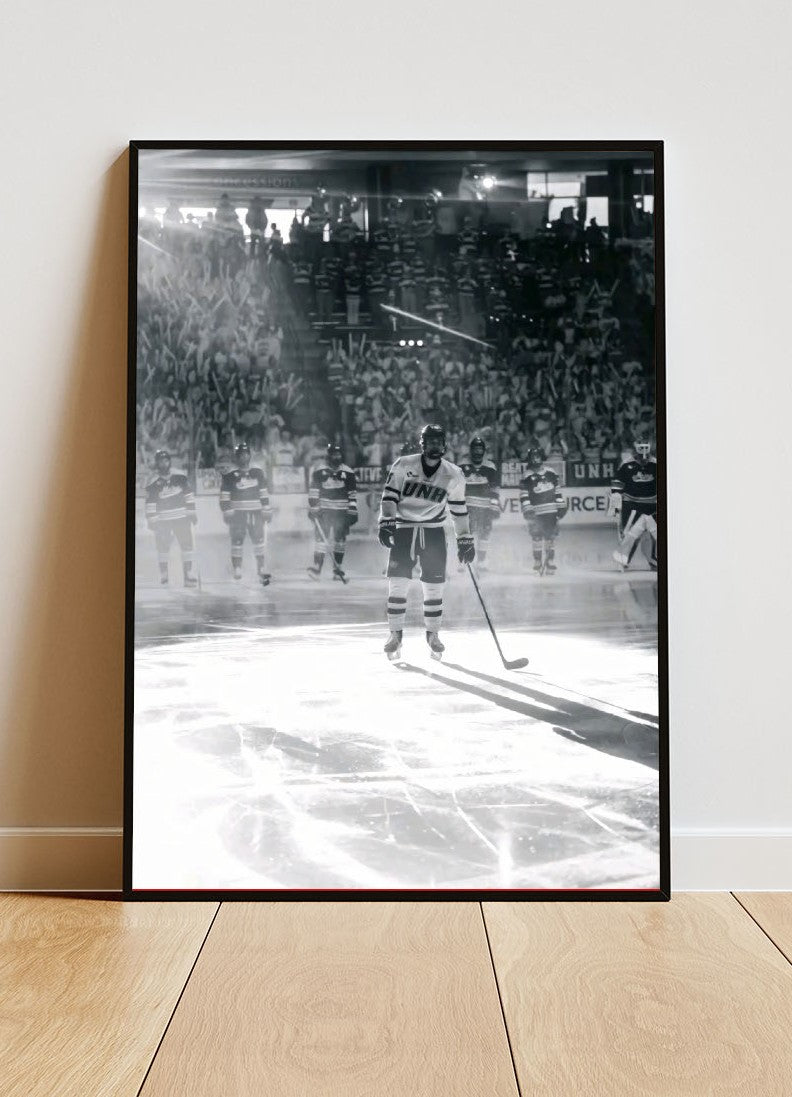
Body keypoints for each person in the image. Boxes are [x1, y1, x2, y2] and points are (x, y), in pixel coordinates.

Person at [378, 424, 474, 661]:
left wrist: (465, 539)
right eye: (429, 441)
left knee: (434, 586)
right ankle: (395, 634)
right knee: (398, 584)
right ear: (422, 444)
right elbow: (389, 497)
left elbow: (459, 510)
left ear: (444, 444)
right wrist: (386, 521)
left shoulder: (453, 474)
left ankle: (433, 635)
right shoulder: (403, 464)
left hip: (433, 532)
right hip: (404, 529)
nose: (434, 445)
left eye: (438, 441)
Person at [219, 442, 273, 585]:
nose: (244, 457)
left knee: (259, 540)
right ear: (237, 457)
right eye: (241, 455)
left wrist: (266, 508)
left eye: (246, 454)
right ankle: (237, 568)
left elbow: (263, 493)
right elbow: (224, 496)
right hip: (238, 514)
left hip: (256, 513)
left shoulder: (258, 473)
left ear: (249, 455)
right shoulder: (229, 476)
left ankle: (261, 568)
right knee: (237, 540)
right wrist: (226, 510)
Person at [145, 450, 198, 587]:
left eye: (166, 460)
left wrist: (192, 513)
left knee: (187, 545)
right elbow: (150, 503)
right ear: (157, 463)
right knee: (163, 547)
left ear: (169, 462)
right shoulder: (153, 483)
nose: (163, 463)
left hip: (182, 518)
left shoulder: (180, 477)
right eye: (160, 461)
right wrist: (152, 519)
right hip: (163, 520)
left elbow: (189, 495)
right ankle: (164, 574)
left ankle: (188, 574)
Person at [307, 444, 358, 581]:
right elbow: (314, 492)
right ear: (328, 456)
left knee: (340, 540)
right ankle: (317, 567)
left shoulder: (348, 472)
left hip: (341, 511)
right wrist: (313, 508)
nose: (336, 457)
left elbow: (352, 494)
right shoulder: (319, 471)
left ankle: (338, 568)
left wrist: (353, 510)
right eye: (334, 454)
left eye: (338, 454)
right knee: (321, 540)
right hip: (324, 511)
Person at [609, 438, 657, 570]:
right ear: (636, 449)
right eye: (640, 448)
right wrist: (615, 507)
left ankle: (653, 560)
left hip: (652, 505)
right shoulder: (626, 464)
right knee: (630, 534)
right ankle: (624, 560)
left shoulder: (656, 464)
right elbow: (617, 485)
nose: (643, 452)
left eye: (646, 448)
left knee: (654, 535)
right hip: (632, 505)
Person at [519, 448, 565, 574]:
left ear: (541, 457)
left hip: (551, 511)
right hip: (535, 513)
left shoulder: (551, 472)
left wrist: (560, 507)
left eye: (537, 457)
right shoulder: (527, 475)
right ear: (530, 459)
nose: (535, 459)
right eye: (533, 457)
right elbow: (524, 495)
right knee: (536, 537)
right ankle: (537, 562)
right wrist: (528, 510)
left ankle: (550, 561)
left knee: (550, 537)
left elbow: (557, 491)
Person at [459, 436, 500, 570]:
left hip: (485, 507)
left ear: (483, 450)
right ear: (471, 450)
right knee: (466, 533)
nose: (477, 451)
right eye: (475, 448)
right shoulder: (462, 465)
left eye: (480, 448)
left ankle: (481, 561)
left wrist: (494, 506)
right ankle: (464, 560)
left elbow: (494, 489)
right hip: (467, 506)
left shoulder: (490, 467)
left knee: (484, 533)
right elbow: (456, 487)